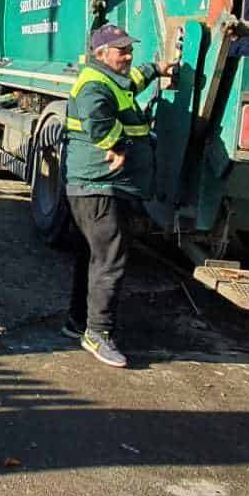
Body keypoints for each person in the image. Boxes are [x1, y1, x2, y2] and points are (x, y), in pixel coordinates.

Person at [62, 23, 172, 368]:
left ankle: (77, 321)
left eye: (129, 49)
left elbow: (130, 83)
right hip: (100, 185)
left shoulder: (109, 78)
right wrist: (118, 144)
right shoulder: (94, 84)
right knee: (110, 261)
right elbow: (97, 120)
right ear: (101, 54)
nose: (128, 55)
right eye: (121, 50)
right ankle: (98, 334)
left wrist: (157, 69)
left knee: (93, 257)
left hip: (97, 186)